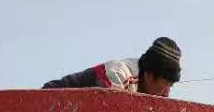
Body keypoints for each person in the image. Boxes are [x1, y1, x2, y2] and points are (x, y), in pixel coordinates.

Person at [42, 37, 182, 96]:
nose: (167, 93)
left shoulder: (145, 88)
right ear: (150, 75)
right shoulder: (117, 74)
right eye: (166, 85)